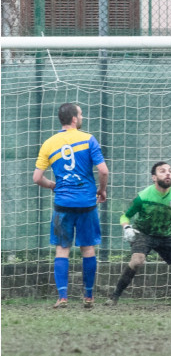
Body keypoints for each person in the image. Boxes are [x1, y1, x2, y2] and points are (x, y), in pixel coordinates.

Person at [33, 103, 109, 309]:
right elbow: (103, 171)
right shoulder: (88, 139)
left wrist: (52, 186)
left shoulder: (49, 143)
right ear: (74, 119)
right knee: (88, 248)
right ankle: (89, 296)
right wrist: (101, 190)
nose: (82, 117)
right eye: (81, 114)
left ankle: (63, 297)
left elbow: (37, 177)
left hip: (62, 204)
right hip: (86, 203)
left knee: (62, 249)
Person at [104, 162, 171, 306]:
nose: (168, 173)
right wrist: (126, 227)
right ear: (154, 177)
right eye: (162, 171)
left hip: (166, 234)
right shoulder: (143, 196)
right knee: (137, 261)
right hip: (144, 234)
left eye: (170, 171)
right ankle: (114, 296)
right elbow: (125, 216)